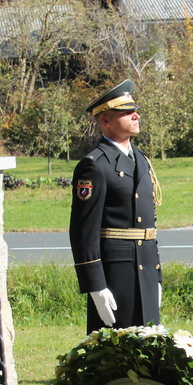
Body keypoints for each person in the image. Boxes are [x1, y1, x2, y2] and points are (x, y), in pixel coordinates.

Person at [70, 80, 162, 334]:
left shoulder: (141, 159)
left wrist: (156, 275)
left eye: (135, 111)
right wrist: (96, 286)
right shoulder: (95, 165)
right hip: (117, 273)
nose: (136, 116)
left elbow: (148, 225)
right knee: (116, 346)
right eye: (126, 112)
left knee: (147, 345)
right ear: (106, 121)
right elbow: (83, 231)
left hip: (145, 267)